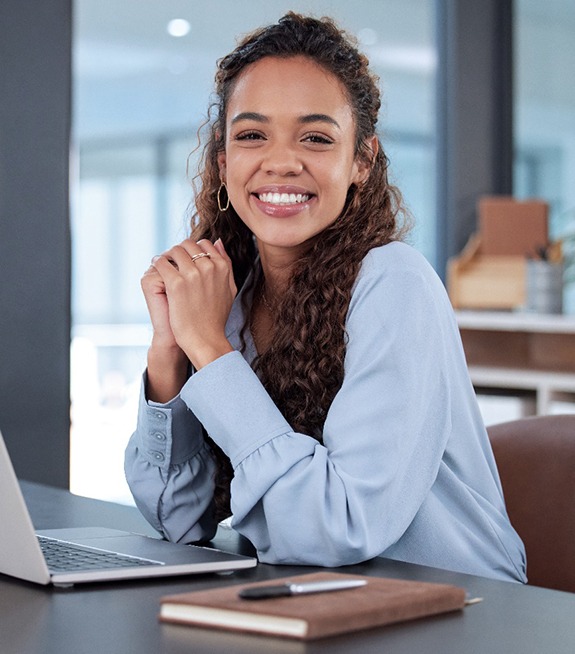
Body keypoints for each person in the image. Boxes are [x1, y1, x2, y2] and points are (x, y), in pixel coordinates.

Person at [125, 12, 526, 582]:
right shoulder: (229, 296)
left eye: (315, 137)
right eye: (251, 135)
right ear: (222, 161)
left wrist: (211, 352)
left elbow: (338, 528)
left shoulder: (395, 283)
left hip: (454, 611)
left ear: (361, 160)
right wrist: (171, 350)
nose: (282, 161)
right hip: (319, 599)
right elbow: (177, 519)